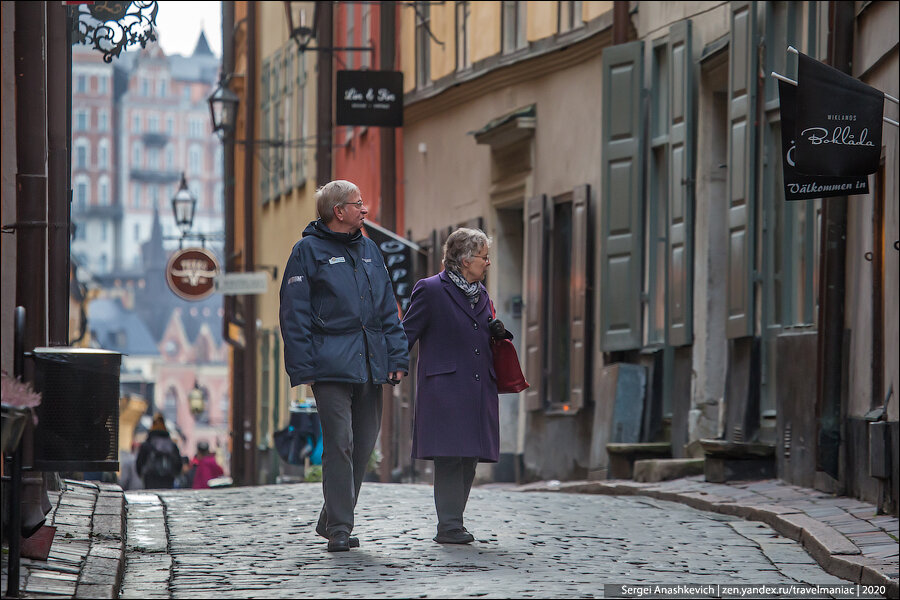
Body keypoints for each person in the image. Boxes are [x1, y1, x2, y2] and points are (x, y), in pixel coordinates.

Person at [279, 180, 409, 552]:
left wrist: (396, 357)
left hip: (371, 363)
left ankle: (330, 517)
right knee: (340, 443)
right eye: (358, 203)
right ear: (339, 211)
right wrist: (303, 369)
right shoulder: (306, 252)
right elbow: (294, 313)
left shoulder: (369, 249)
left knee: (364, 444)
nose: (365, 209)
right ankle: (339, 528)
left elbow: (388, 308)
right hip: (330, 366)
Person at [401, 227, 505, 544]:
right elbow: (407, 332)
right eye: (484, 257)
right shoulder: (431, 290)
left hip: (477, 386)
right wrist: (393, 365)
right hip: (444, 388)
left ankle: (454, 521)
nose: (488, 263)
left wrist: (498, 334)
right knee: (449, 456)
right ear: (464, 259)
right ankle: (448, 526)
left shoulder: (482, 294)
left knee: (470, 456)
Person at [136, 414, 183, 489]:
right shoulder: (172, 444)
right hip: (168, 478)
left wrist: (141, 474)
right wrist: (175, 474)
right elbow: (178, 463)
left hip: (151, 477)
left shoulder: (147, 444)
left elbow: (140, 462)